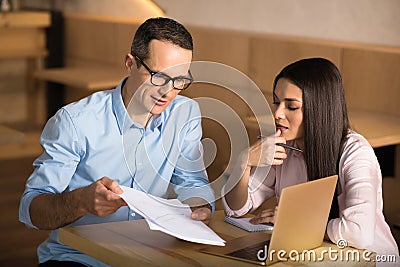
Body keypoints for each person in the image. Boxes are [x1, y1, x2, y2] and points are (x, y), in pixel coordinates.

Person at [19, 17, 215, 266]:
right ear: (130, 63)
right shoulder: (75, 122)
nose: (169, 92)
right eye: (158, 76)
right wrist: (81, 201)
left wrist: (201, 206)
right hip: (82, 257)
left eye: (179, 81)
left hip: (152, 256)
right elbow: (32, 209)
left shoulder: (185, 113)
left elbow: (193, 181)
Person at [222, 58, 399, 256]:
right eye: (277, 103)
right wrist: (244, 162)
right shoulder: (284, 147)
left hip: (369, 259)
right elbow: (236, 209)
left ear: (319, 108)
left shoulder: (356, 153)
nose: (278, 114)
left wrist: (296, 221)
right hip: (313, 253)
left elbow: (359, 234)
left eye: (291, 106)